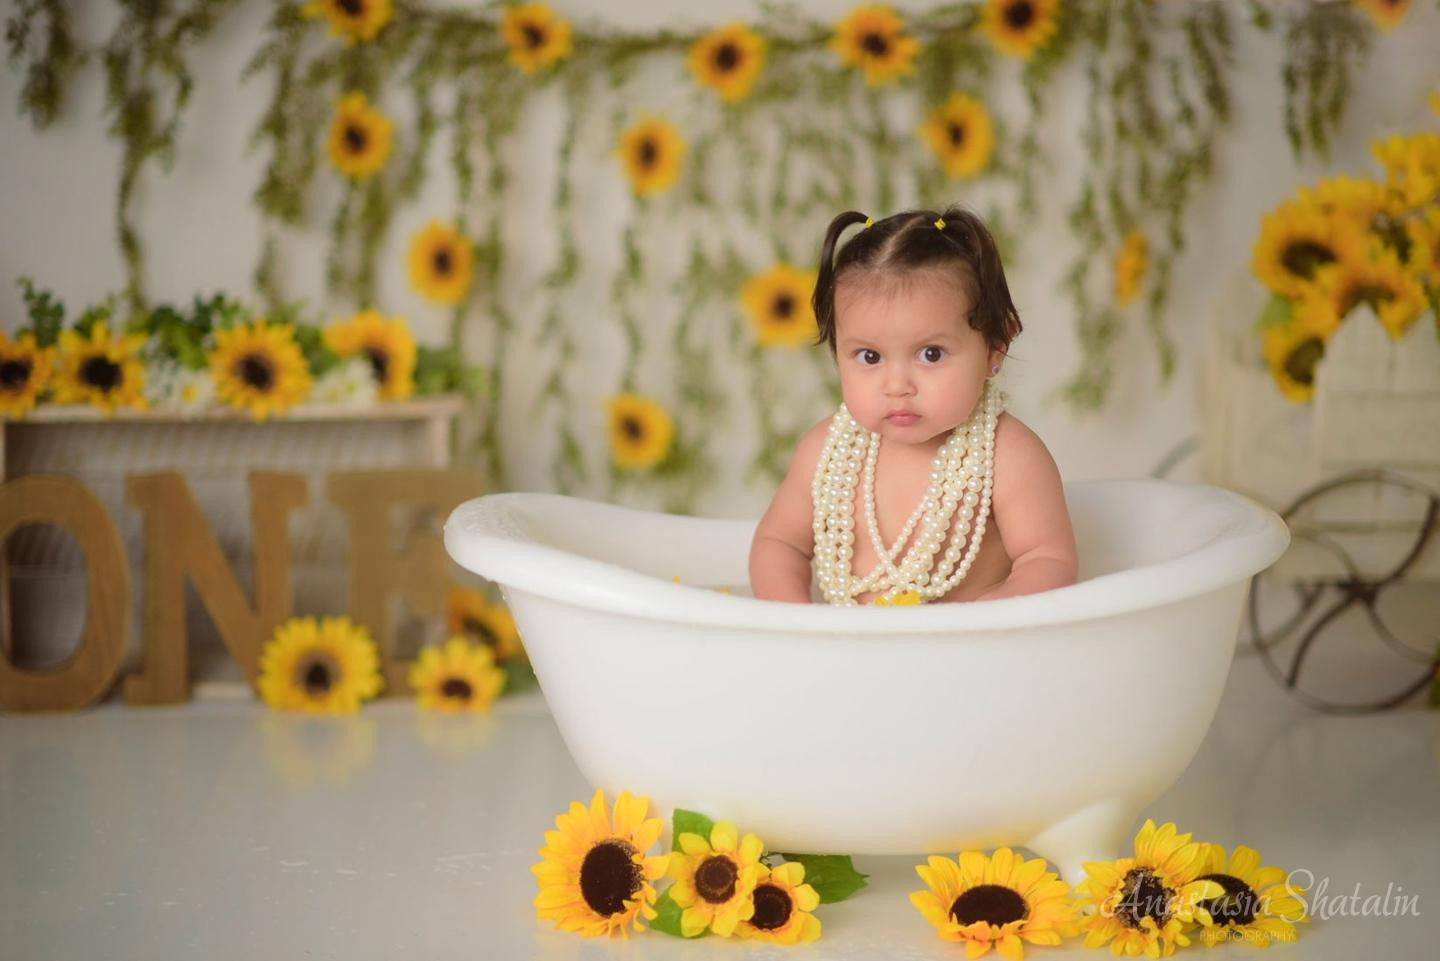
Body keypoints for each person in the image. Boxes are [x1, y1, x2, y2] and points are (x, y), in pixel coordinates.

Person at [748, 205, 1077, 605]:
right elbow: (779, 543)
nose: (897, 385)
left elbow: (1048, 560)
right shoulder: (825, 454)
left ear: (995, 346)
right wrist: (798, 625)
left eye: (931, 354)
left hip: (964, 658)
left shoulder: (1007, 456)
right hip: (848, 656)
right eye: (870, 357)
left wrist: (979, 622)